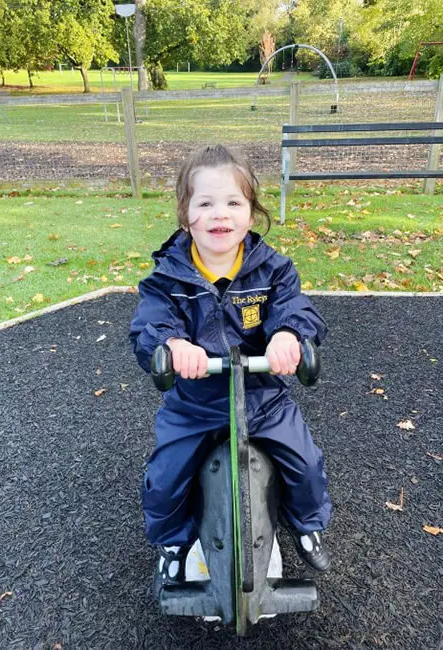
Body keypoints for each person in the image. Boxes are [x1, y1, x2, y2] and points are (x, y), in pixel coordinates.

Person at [129, 144, 332, 592]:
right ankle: (171, 544)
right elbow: (150, 322)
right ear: (186, 215)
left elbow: (295, 308)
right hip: (195, 402)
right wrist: (173, 344)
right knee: (166, 476)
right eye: (205, 203)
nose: (220, 214)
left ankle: (305, 523)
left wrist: (287, 336)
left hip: (262, 397)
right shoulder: (168, 279)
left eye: (233, 202)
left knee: (305, 462)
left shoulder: (273, 271)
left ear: (250, 212)